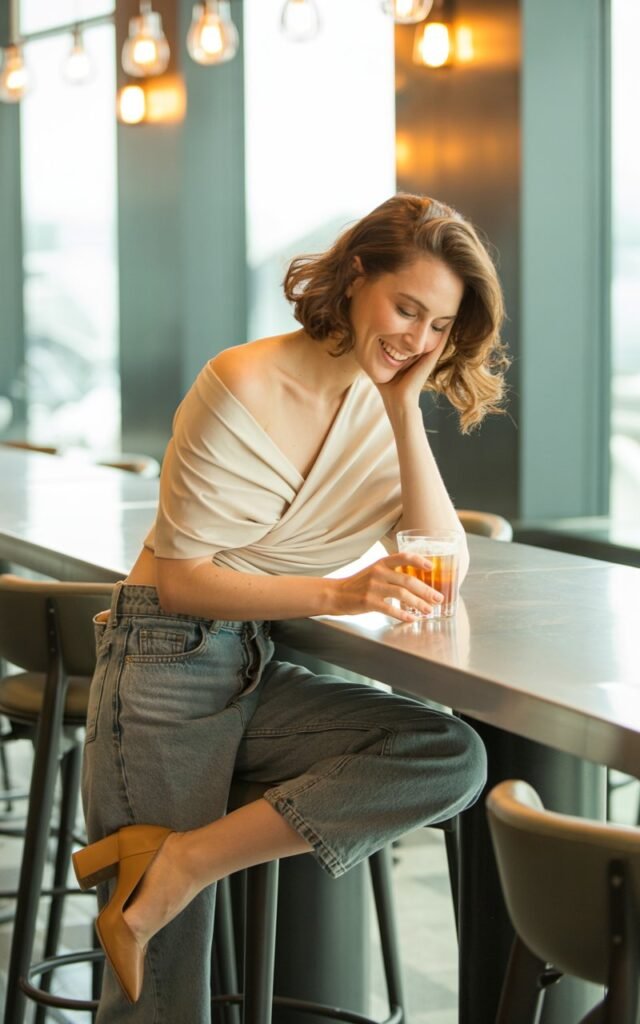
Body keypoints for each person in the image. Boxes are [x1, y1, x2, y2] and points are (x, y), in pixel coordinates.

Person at [76, 193, 508, 1021]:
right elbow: (180, 581)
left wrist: (403, 410)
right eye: (405, 307)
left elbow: (443, 566)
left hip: (253, 662)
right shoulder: (242, 380)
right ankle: (170, 870)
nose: (417, 338)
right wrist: (339, 592)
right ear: (355, 277)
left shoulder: (386, 411)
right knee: (163, 998)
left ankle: (185, 861)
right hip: (162, 660)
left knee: (448, 755)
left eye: (438, 326)